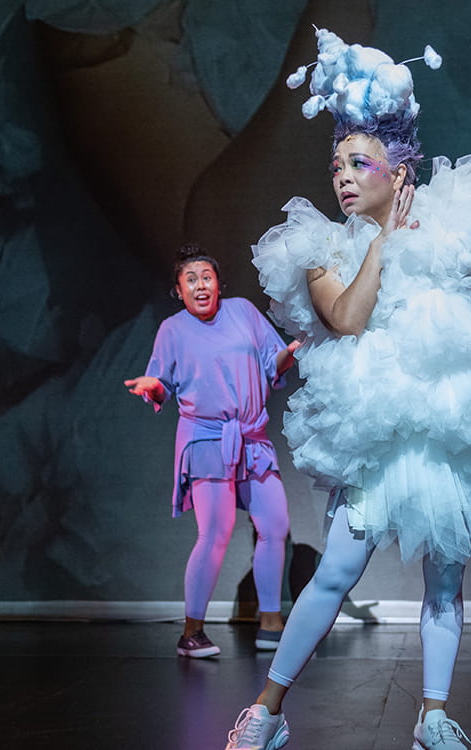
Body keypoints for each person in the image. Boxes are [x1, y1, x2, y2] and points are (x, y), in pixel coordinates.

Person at [223, 30, 471, 750]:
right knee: (337, 569)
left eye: (359, 163)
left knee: (445, 580)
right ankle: (267, 711)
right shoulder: (320, 247)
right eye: (336, 165)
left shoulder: (445, 238)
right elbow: (346, 319)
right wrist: (381, 245)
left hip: (443, 426)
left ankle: (434, 716)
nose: (343, 177)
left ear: (399, 171)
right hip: (378, 429)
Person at [124, 243, 302, 658]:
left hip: (251, 436)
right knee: (216, 533)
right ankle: (192, 632)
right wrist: (154, 387)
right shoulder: (173, 329)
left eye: (206, 277)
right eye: (191, 280)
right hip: (205, 437)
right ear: (179, 290)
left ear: (219, 284)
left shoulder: (243, 312)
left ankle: (271, 622)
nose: (200, 285)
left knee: (275, 525)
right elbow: (161, 384)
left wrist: (289, 354)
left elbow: (270, 363)